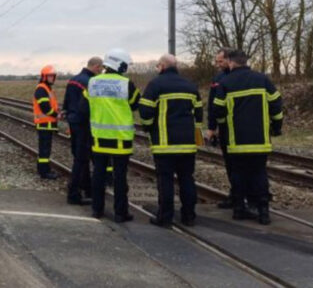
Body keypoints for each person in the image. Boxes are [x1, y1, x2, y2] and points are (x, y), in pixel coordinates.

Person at [212, 49, 283, 225]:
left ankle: (238, 209)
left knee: (238, 173)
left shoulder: (226, 82)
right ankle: (263, 211)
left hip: (236, 139)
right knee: (259, 173)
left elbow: (218, 110)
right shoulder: (262, 79)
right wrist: (276, 127)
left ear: (231, 62)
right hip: (260, 138)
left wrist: (222, 127)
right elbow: (276, 105)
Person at [139, 54, 202, 227]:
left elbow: (145, 111)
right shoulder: (190, 86)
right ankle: (189, 216)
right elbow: (198, 113)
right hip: (188, 144)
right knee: (187, 179)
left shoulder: (155, 85)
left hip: (164, 143)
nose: (157, 68)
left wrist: (149, 127)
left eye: (158, 65)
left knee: (165, 180)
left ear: (163, 66)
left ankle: (165, 217)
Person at [84, 49, 141, 222]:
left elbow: (85, 104)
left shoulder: (93, 82)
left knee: (99, 174)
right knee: (120, 177)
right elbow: (135, 104)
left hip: (99, 137)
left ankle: (97, 210)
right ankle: (120, 212)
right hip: (121, 139)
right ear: (119, 64)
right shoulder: (126, 84)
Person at [61, 56, 104, 205]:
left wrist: (66, 111)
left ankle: (87, 189)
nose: (101, 71)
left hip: (74, 121)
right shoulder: (90, 82)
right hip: (84, 122)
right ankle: (74, 193)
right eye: (101, 68)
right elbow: (88, 106)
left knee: (81, 156)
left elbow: (66, 101)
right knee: (81, 158)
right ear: (96, 66)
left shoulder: (73, 79)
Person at [206, 48, 235, 209]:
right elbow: (212, 104)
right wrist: (212, 127)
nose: (218, 64)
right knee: (229, 163)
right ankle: (235, 194)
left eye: (221, 61)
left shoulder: (239, 77)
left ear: (230, 60)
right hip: (223, 127)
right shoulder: (217, 78)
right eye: (216, 61)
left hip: (238, 126)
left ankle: (244, 196)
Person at [33, 65, 60, 180]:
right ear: (44, 76)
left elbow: (51, 106)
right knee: (44, 149)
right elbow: (45, 108)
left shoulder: (47, 89)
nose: (52, 78)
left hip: (47, 124)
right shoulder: (41, 89)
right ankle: (44, 172)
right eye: (50, 76)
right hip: (44, 124)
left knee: (46, 149)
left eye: (53, 76)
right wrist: (56, 114)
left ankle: (45, 169)